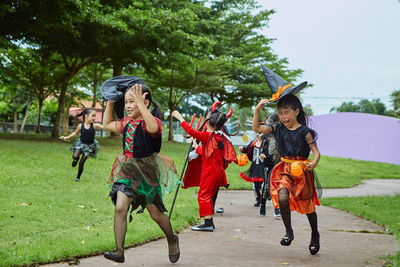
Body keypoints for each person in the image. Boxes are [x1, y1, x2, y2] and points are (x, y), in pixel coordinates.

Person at [102, 83, 180, 263]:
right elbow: (106, 124)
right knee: (120, 207)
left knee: (156, 214)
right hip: (127, 170)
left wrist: (142, 105)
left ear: (145, 102)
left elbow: (152, 128)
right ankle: (119, 252)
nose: (128, 106)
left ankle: (171, 238)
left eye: (133, 102)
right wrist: (111, 104)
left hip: (146, 173)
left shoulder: (152, 123)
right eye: (126, 102)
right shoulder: (126, 123)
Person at [252, 64, 321, 255]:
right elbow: (257, 129)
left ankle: (315, 234)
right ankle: (289, 231)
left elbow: (315, 151)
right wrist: (258, 109)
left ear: (296, 111)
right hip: (284, 169)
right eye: (281, 113)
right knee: (282, 197)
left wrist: (313, 162)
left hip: (302, 170)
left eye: (287, 113)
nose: (283, 117)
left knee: (308, 208)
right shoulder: (277, 128)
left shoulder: (305, 132)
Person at [172, 102, 236, 232]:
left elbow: (191, 131)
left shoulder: (207, 135)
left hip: (210, 172)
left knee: (203, 195)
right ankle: (209, 221)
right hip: (218, 172)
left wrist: (179, 117)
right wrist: (196, 146)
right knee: (209, 195)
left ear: (208, 124)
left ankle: (207, 223)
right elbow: (208, 153)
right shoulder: (219, 137)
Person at [60, 107, 102, 182]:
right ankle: (76, 160)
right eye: (92, 116)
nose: (94, 118)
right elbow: (75, 133)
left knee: (82, 162)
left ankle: (78, 177)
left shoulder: (95, 125)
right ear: (86, 116)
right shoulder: (80, 126)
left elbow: (104, 126)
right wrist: (68, 137)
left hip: (89, 146)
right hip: (81, 143)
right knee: (75, 155)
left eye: (95, 116)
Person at [238, 130, 268, 209]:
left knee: (263, 185)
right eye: (257, 133)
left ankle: (265, 197)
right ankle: (258, 199)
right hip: (255, 166)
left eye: (260, 133)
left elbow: (270, 153)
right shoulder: (253, 142)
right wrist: (242, 149)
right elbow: (247, 149)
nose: (258, 135)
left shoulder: (266, 143)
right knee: (255, 185)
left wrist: (265, 155)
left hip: (263, 167)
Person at [259, 113, 281, 217]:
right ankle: (262, 204)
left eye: (270, 122)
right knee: (267, 186)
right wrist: (262, 155)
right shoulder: (265, 136)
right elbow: (261, 148)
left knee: (279, 186)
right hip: (267, 163)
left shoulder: (282, 135)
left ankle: (277, 208)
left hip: (279, 164)